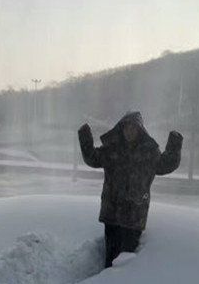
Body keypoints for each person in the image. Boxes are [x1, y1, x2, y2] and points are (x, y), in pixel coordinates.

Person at [78, 111, 183, 268]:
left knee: (127, 263)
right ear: (121, 129)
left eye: (133, 129)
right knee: (111, 260)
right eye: (126, 128)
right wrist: (85, 136)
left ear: (140, 130)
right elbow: (92, 158)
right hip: (112, 215)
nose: (129, 132)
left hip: (133, 218)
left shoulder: (148, 153)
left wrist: (174, 143)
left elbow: (166, 164)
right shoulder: (111, 149)